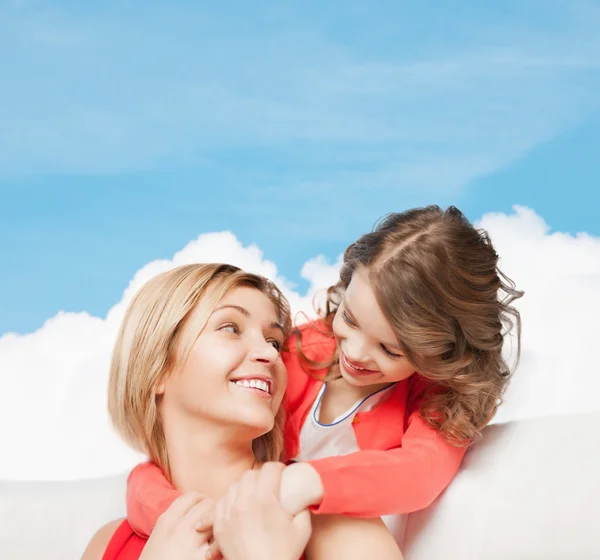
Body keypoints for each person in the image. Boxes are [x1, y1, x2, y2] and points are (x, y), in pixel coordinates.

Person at [127, 206, 523, 553]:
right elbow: (161, 463)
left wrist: (305, 482)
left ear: (442, 354)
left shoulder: (433, 400)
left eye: (390, 349)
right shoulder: (299, 351)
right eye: (349, 319)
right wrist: (187, 520)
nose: (355, 352)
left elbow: (421, 472)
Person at [81, 263, 403, 560]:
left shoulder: (336, 525)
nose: (269, 354)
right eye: (231, 328)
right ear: (159, 367)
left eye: (274, 342)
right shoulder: (106, 546)